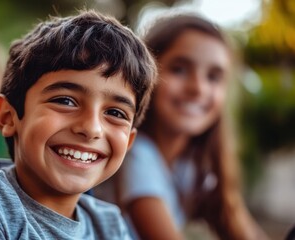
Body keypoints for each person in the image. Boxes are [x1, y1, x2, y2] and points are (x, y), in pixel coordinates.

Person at [0, 10, 157, 239]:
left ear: (129, 142)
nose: (91, 128)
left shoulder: (108, 223)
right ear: (8, 117)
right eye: (65, 101)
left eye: (115, 112)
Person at [94, 13, 269, 240]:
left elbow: (238, 224)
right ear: (147, 75)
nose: (198, 88)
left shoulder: (192, 165)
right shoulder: (137, 153)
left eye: (213, 77)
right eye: (180, 69)